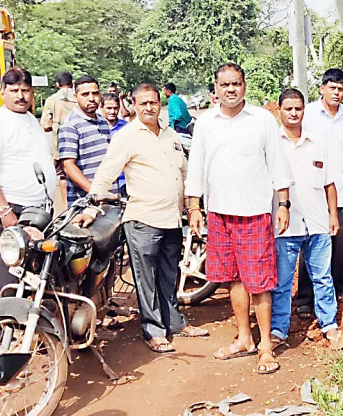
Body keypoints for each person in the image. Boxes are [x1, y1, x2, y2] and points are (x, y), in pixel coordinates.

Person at [80, 83, 209, 352]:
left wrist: (191, 206)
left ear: (160, 102)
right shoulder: (127, 136)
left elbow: (183, 173)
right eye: (143, 103)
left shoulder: (170, 134)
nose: (149, 107)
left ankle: (175, 323)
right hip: (143, 220)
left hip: (172, 219)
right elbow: (106, 173)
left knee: (169, 275)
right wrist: (92, 207)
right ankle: (154, 331)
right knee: (146, 280)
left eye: (153, 102)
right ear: (135, 105)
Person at [185, 63, 292, 375]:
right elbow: (197, 168)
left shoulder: (262, 120)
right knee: (233, 278)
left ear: (245, 86)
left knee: (259, 283)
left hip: (255, 213)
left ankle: (266, 347)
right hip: (220, 212)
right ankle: (244, 338)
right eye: (224, 85)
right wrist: (194, 207)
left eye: (236, 84)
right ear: (215, 89)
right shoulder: (205, 123)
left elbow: (277, 165)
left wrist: (283, 204)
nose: (230, 89)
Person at [271, 88, 343, 350]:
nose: (293, 113)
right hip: (285, 226)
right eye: (288, 108)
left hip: (317, 222)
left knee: (323, 277)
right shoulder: (272, 143)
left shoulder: (318, 142)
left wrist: (333, 215)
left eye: (298, 108)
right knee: (281, 281)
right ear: (279, 110)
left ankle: (329, 325)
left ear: (304, 110)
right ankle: (278, 330)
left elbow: (329, 183)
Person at [0, 67, 57, 295]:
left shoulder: (31, 120)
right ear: (3, 92)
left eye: (26, 90)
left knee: (35, 270)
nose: (20, 96)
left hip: (38, 209)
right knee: (10, 269)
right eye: (14, 90)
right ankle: (5, 327)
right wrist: (4, 212)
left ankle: (30, 325)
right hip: (11, 206)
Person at [296, 68, 343, 316]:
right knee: (313, 241)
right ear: (323, 88)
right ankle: (305, 297)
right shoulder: (310, 114)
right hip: (315, 189)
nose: (337, 93)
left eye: (341, 89)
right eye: (333, 88)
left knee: (341, 243)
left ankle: (340, 290)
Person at [58, 75, 110, 204]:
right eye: (85, 94)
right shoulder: (70, 125)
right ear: (76, 97)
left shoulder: (102, 121)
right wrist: (95, 192)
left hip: (107, 197)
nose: (91, 98)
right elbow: (68, 166)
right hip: (84, 202)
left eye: (95, 93)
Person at [40, 71, 76, 204]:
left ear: (57, 84)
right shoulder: (79, 97)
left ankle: (68, 205)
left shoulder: (52, 100)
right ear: (72, 83)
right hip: (80, 142)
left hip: (60, 145)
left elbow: (44, 123)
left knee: (63, 176)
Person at [99, 91, 128, 197]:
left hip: (124, 180)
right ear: (101, 107)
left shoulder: (126, 128)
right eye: (109, 108)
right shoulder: (95, 127)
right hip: (103, 180)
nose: (112, 111)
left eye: (115, 108)